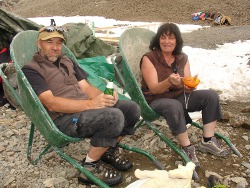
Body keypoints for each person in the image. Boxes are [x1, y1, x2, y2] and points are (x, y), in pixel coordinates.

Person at [22, 25, 141, 186]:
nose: (55, 47)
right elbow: (51, 103)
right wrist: (91, 104)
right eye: (49, 42)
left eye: (59, 43)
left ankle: (108, 150)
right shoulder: (32, 69)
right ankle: (88, 169)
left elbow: (86, 87)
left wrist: (104, 96)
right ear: (39, 43)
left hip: (85, 110)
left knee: (131, 109)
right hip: (63, 118)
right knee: (114, 117)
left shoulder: (66, 60)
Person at [140, 23, 229, 168]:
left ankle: (207, 140)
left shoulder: (182, 58)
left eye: (171, 38)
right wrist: (169, 81)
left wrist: (189, 86)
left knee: (210, 96)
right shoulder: (149, 58)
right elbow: (154, 89)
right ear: (158, 40)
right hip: (156, 100)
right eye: (163, 37)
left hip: (178, 96)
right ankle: (187, 148)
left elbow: (186, 83)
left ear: (177, 41)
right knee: (173, 105)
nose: (167, 41)